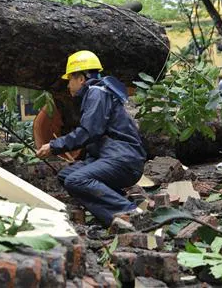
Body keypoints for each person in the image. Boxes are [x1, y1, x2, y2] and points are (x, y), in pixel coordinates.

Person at [36, 50, 146, 226]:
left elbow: (88, 132)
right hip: (114, 157)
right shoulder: (96, 93)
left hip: (123, 160)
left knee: (76, 180)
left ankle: (130, 212)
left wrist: (54, 145)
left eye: (70, 79)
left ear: (81, 79)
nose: (68, 85)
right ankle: (113, 218)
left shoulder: (97, 94)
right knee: (66, 175)